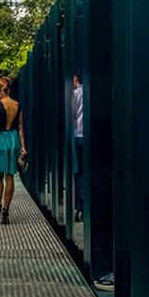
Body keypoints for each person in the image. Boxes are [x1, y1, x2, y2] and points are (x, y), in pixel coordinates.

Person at [0, 77, 26, 225]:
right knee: (10, 176)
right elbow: (20, 126)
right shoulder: (17, 104)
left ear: (2, 90)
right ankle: (7, 210)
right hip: (13, 139)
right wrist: (23, 146)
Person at [72, 73, 84, 222]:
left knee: (80, 172)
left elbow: (72, 116)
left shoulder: (74, 94)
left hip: (79, 135)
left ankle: (80, 207)